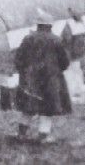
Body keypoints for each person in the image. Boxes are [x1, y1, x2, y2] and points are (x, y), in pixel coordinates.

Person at [15, 10, 72, 143]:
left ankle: (21, 134)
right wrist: (57, 71)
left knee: (28, 107)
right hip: (50, 79)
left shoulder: (28, 38)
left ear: (38, 25)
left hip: (30, 79)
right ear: (50, 26)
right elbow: (65, 62)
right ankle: (43, 137)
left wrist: (24, 72)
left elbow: (18, 59)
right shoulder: (56, 40)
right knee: (48, 109)